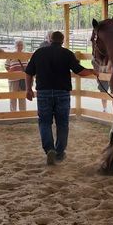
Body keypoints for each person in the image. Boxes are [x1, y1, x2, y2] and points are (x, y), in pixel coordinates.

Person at [25, 30, 97, 165]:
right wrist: (93, 71)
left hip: (44, 92)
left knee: (44, 122)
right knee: (62, 123)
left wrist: (28, 89)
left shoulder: (39, 53)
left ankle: (49, 149)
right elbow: (80, 71)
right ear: (62, 41)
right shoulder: (67, 54)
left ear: (50, 40)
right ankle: (59, 152)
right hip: (62, 92)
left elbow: (28, 72)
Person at [4, 38, 27, 112]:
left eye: (21, 45)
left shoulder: (26, 55)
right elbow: (7, 66)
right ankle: (13, 114)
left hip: (23, 79)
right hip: (13, 79)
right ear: (15, 46)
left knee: (22, 97)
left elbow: (28, 66)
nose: (19, 46)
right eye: (18, 45)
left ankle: (22, 113)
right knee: (13, 97)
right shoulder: (11, 55)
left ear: (23, 46)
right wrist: (14, 73)